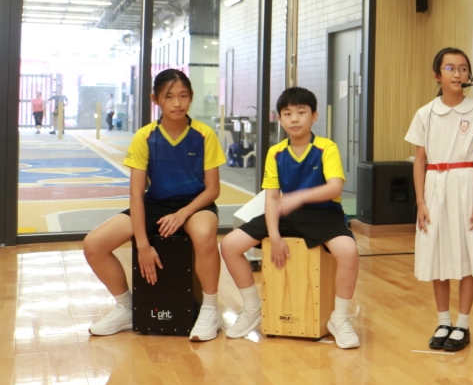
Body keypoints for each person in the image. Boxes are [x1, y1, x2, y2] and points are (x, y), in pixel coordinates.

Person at [83, 69, 225, 341]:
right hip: (154, 203)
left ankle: (210, 309)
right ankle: (127, 307)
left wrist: (183, 213)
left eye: (183, 96)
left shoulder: (204, 134)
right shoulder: (145, 136)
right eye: (169, 97)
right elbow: (136, 195)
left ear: (191, 97)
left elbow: (213, 189)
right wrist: (143, 245)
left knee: (205, 234)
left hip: (195, 205)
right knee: (94, 244)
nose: (177, 103)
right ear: (155, 99)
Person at [220, 87, 361, 349]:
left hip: (324, 213)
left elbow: (334, 188)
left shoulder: (326, 148)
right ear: (280, 119)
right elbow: (272, 198)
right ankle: (252, 308)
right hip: (286, 214)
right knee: (229, 245)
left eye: (301, 112)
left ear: (314, 116)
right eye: (287, 113)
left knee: (349, 251)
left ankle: (339, 318)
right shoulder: (275, 152)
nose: (294, 118)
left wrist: (298, 197)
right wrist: (274, 235)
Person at [406, 47, 473, 352]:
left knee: (467, 254)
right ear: (437, 75)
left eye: (462, 68)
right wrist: (421, 202)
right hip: (434, 185)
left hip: (465, 184)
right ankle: (443, 321)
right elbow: (420, 160)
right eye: (450, 68)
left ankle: (463, 324)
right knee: (437, 253)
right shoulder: (425, 113)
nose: (457, 73)